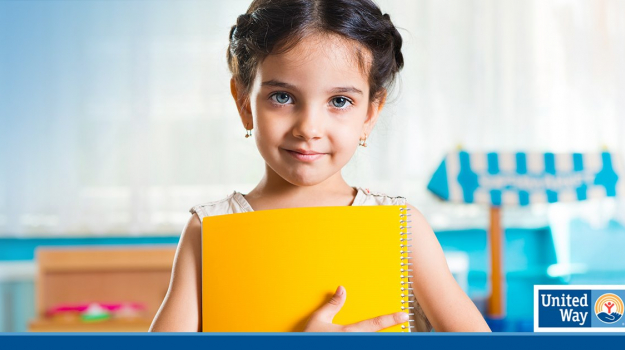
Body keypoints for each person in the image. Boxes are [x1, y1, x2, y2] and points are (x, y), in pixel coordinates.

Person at [149, 0, 491, 333]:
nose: (308, 128)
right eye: (282, 97)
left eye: (339, 101)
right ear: (244, 103)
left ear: (370, 114)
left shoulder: (403, 229)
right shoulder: (208, 230)